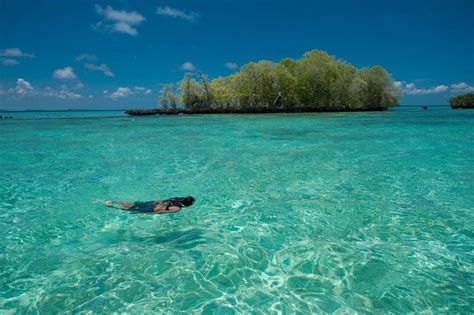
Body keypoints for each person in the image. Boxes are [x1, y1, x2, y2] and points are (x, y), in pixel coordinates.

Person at [102, 196, 195, 214]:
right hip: (154, 208)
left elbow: (164, 200)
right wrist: (149, 213)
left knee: (132, 204)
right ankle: (111, 206)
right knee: (130, 209)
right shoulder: (177, 209)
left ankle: (112, 201)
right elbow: (161, 210)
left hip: (153, 202)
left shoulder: (178, 198)